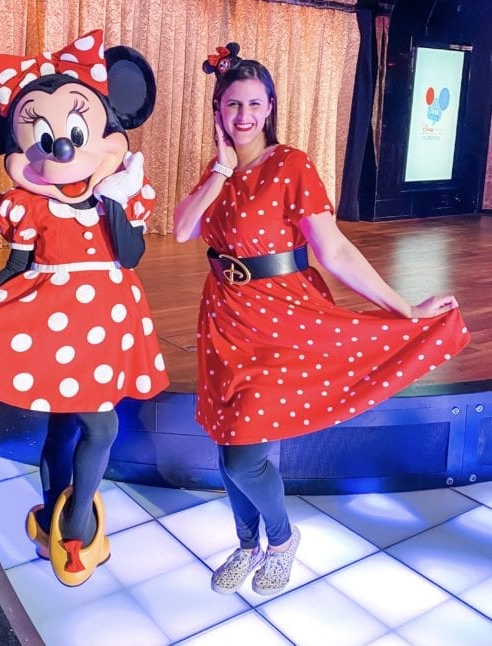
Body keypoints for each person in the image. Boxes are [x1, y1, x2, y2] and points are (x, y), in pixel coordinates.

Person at [173, 42, 470, 596]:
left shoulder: (291, 164)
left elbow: (333, 251)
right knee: (228, 442)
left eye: (254, 105)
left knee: (241, 455)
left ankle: (281, 542)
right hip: (223, 315)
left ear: (270, 107)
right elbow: (184, 230)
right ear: (218, 111)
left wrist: (402, 308)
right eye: (232, 105)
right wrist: (219, 168)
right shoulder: (215, 172)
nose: (243, 116)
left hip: (282, 316)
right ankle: (245, 545)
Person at [0, 30, 168, 586]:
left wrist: (119, 203)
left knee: (94, 427)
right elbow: (16, 267)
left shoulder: (119, 195)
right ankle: (68, 526)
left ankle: (68, 519)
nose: (62, 149)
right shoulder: (28, 206)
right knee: (68, 424)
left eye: (76, 133)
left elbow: (129, 258)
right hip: (53, 320)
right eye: (44, 137)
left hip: (109, 319)